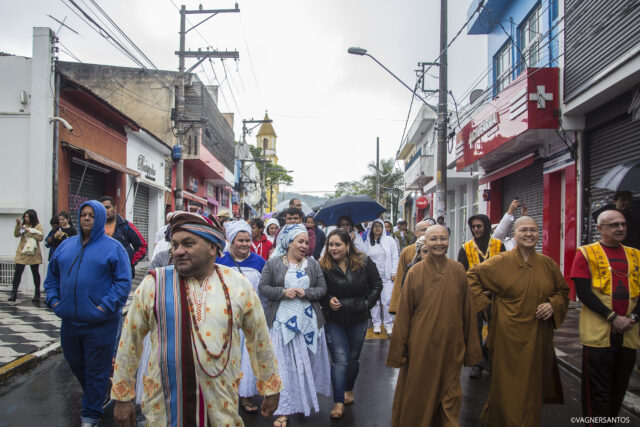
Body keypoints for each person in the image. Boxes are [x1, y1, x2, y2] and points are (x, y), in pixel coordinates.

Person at [111, 211, 281, 426]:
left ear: (213, 248)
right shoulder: (155, 284)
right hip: (164, 409)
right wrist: (122, 397)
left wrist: (270, 387)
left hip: (221, 407)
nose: (178, 251)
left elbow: (260, 339)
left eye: (188, 243)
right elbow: (129, 343)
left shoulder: (237, 285)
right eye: (174, 244)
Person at [467, 216, 570, 427]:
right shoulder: (500, 262)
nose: (529, 234)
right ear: (514, 235)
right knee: (507, 386)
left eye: (533, 230)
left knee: (532, 386)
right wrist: (484, 304)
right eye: (524, 230)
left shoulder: (547, 264)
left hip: (537, 335)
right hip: (507, 335)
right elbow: (471, 277)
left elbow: (562, 291)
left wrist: (552, 304)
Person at [44, 201, 131, 427]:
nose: (87, 218)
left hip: (101, 323)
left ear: (100, 218)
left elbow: (123, 283)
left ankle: (90, 414)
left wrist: (103, 307)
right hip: (70, 321)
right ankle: (99, 390)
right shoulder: (66, 246)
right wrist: (54, 301)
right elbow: (52, 275)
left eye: (92, 215)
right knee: (75, 362)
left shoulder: (113, 248)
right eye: (83, 214)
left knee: (96, 367)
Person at [387, 225, 482, 426]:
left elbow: (467, 311)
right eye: (433, 239)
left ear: (449, 241)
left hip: (451, 346)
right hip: (422, 345)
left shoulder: (458, 270)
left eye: (443, 239)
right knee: (420, 394)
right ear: (425, 244)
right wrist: (399, 351)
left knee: (451, 395)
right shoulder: (415, 272)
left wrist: (471, 349)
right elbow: (404, 315)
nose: (439, 243)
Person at [570, 209, 640, 423]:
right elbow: (582, 291)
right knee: (597, 390)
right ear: (600, 229)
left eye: (622, 224)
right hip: (599, 333)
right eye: (613, 225)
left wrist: (634, 317)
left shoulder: (636, 254)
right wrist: (612, 317)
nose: (620, 228)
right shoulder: (586, 253)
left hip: (629, 332)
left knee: (619, 387)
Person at [258, 224, 330, 427]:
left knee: (304, 366)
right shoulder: (273, 264)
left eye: (307, 242)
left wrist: (306, 293)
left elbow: (322, 289)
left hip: (308, 324)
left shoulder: (313, 265)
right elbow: (263, 288)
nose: (305, 246)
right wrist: (283, 292)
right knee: (284, 368)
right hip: (281, 326)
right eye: (300, 241)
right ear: (289, 242)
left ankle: (301, 402)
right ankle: (283, 410)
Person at [319, 229, 382, 419]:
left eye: (338, 244)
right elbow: (319, 290)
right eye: (330, 244)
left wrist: (366, 304)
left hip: (358, 318)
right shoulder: (323, 266)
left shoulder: (364, 262)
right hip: (334, 320)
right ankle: (338, 402)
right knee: (339, 361)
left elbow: (377, 285)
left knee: (353, 359)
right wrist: (328, 300)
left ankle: (348, 389)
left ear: (348, 245)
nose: (333, 248)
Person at [216, 220, 269, 415]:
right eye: (240, 240)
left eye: (247, 240)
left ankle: (245, 395)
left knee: (246, 359)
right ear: (231, 240)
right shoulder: (219, 262)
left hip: (250, 318)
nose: (245, 244)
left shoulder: (259, 262)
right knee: (225, 357)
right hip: (225, 319)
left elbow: (264, 290)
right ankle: (225, 395)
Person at [458, 213, 506, 379]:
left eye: (479, 226)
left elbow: (505, 269)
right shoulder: (466, 247)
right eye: (473, 227)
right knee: (475, 329)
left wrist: (492, 289)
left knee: (497, 327)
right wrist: (476, 291)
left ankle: (488, 356)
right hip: (474, 294)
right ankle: (477, 363)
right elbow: (462, 273)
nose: (476, 230)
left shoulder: (499, 246)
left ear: (486, 226)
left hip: (496, 294)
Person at [388, 219, 434, 314]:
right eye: (423, 230)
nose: (426, 233)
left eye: (429, 230)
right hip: (411, 295)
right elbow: (400, 277)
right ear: (416, 233)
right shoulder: (407, 251)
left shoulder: (435, 249)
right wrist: (396, 304)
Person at [364, 219, 399, 335]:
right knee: (374, 301)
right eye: (375, 226)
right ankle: (377, 324)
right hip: (373, 277)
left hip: (387, 276)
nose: (377, 228)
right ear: (372, 228)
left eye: (380, 226)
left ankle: (389, 324)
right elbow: (365, 257)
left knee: (387, 300)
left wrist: (394, 272)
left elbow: (395, 256)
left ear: (383, 228)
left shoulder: (390, 240)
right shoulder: (368, 241)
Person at [99, 196, 147, 277]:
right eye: (102, 208)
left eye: (107, 207)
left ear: (115, 208)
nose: (105, 210)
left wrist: (129, 262)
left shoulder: (125, 225)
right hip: (102, 274)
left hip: (122, 275)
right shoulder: (96, 227)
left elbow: (142, 246)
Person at [10, 209, 44, 302]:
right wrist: (18, 225)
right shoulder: (23, 225)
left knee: (35, 273)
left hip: (33, 252)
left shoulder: (38, 226)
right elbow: (16, 234)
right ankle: (14, 293)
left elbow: (40, 237)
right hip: (22, 251)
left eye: (28, 217)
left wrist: (29, 231)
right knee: (18, 273)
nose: (26, 218)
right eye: (25, 217)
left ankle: (37, 293)